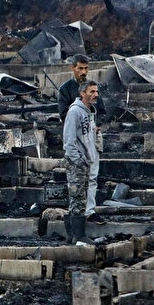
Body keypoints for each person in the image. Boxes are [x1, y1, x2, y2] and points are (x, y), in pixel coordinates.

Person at [57, 54, 105, 223]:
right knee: (77, 180)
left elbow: (102, 111)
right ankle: (76, 216)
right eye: (80, 68)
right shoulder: (66, 90)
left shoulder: (92, 88)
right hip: (77, 137)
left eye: (86, 68)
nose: (84, 72)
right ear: (73, 68)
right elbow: (64, 116)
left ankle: (89, 211)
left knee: (92, 177)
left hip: (92, 136)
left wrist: (98, 124)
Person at [63, 80, 100, 246]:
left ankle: (72, 236)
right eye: (91, 92)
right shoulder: (75, 112)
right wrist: (78, 160)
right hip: (77, 163)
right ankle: (80, 236)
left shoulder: (90, 112)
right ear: (82, 94)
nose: (95, 95)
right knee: (78, 198)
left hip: (86, 161)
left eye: (96, 92)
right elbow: (69, 140)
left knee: (79, 198)